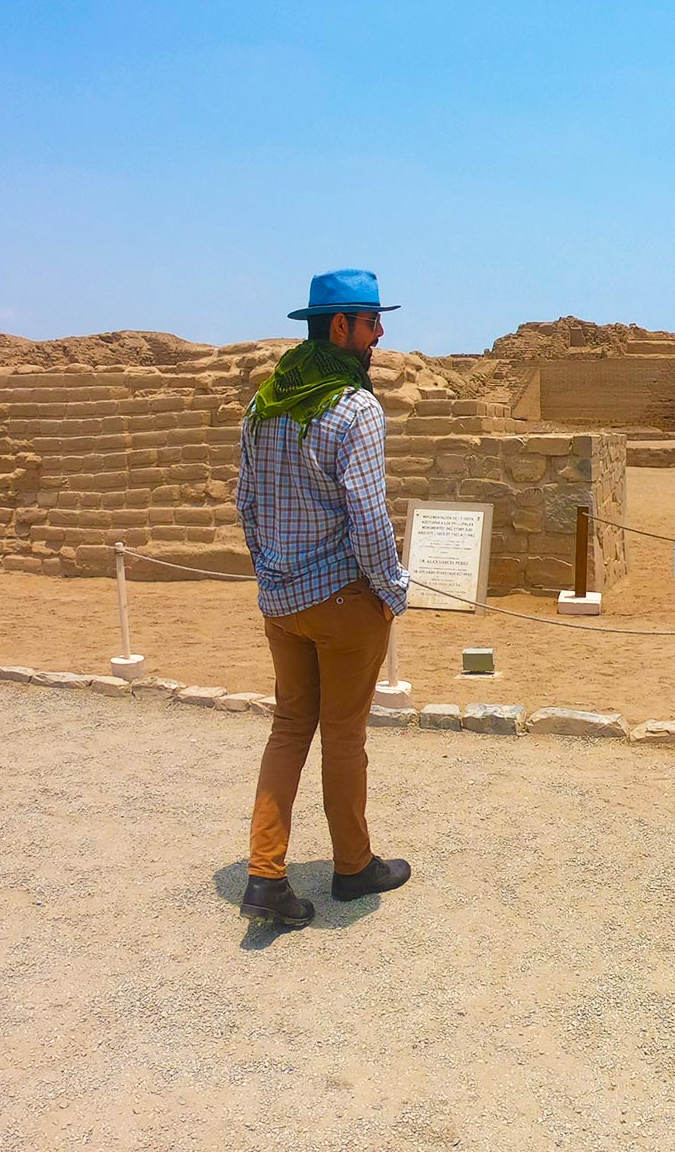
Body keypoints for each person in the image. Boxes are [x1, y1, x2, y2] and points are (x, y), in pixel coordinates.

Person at [236, 269, 413, 928]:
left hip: (281, 602)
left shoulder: (267, 403)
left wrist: (272, 573)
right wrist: (390, 590)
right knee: (343, 736)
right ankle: (352, 866)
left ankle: (264, 874)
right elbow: (369, 517)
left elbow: (246, 503)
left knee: (289, 731)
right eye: (371, 322)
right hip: (342, 600)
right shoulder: (355, 408)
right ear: (340, 328)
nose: (380, 333)